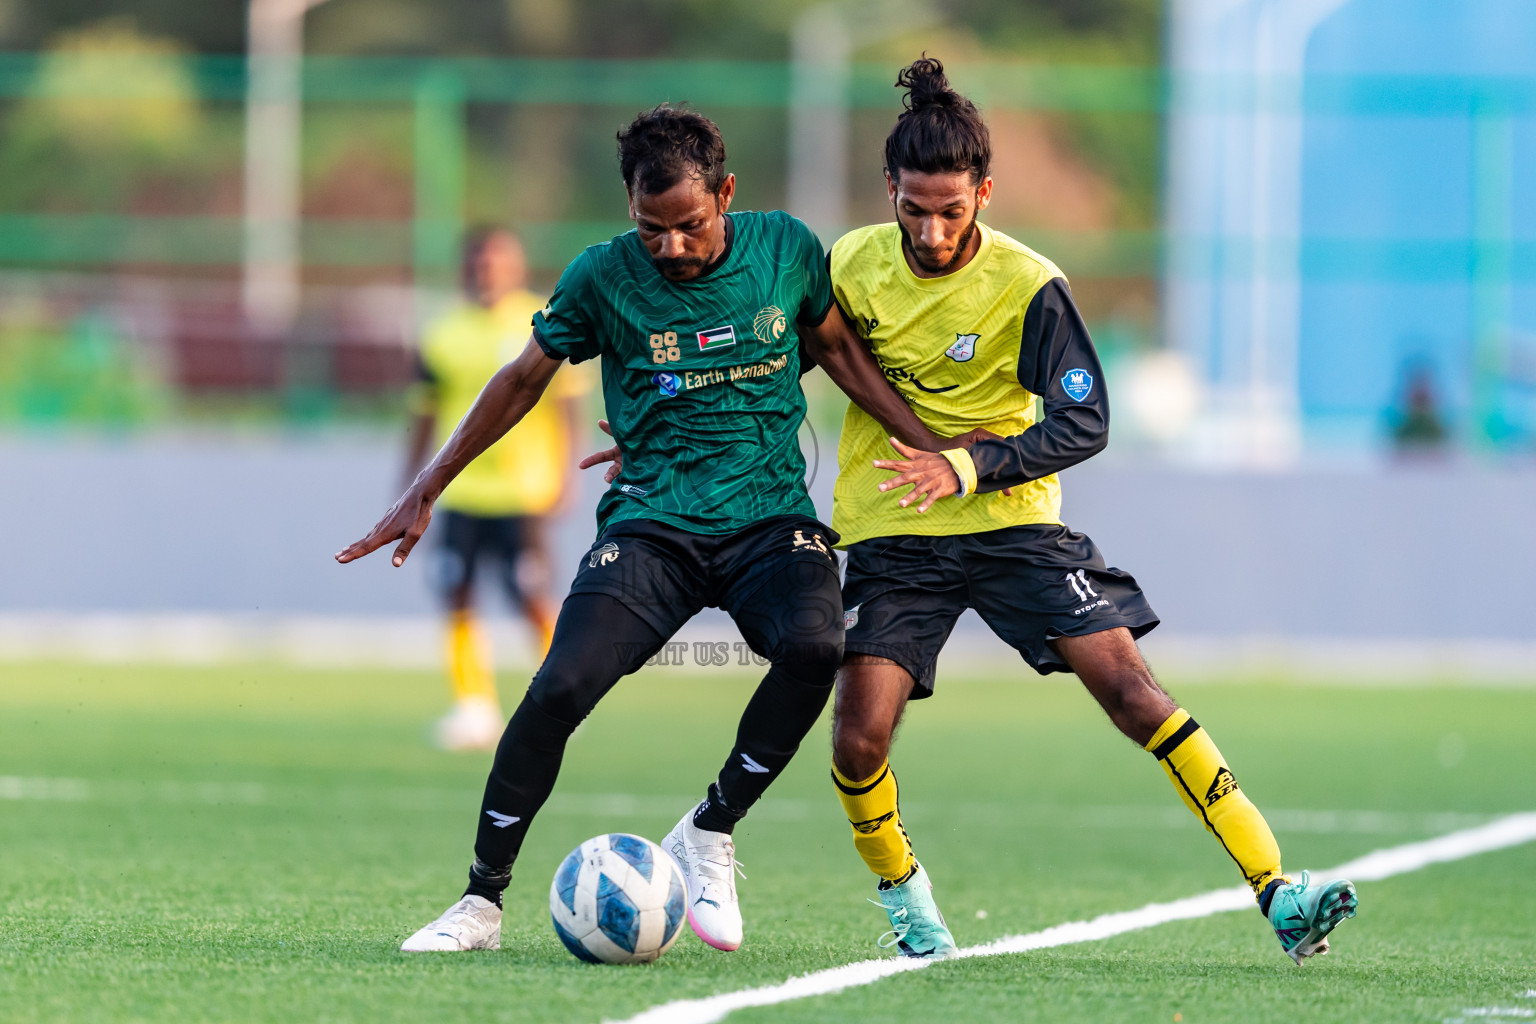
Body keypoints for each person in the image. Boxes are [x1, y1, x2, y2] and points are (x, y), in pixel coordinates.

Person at [336, 104, 968, 955]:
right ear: (627, 208)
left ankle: (711, 828)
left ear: (727, 195)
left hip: (768, 522)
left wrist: (940, 451)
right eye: (650, 228)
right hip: (652, 528)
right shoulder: (601, 277)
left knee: (818, 648)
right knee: (558, 689)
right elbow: (523, 379)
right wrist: (428, 484)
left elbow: (841, 354)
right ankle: (480, 904)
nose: (671, 247)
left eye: (690, 226)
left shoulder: (785, 249)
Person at [823, 57, 1359, 964]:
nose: (932, 228)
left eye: (953, 209)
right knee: (857, 736)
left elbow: (1087, 421)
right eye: (914, 206)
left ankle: (1280, 890)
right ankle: (909, 906)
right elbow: (783, 356)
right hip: (893, 528)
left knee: (1132, 692)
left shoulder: (1030, 287)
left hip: (1014, 524)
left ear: (985, 193)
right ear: (890, 189)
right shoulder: (850, 264)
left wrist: (971, 466)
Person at [404, 227, 589, 751]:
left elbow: (567, 402)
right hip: (461, 493)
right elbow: (423, 413)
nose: (488, 271)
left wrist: (564, 474)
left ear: (515, 266)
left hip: (522, 490)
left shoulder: (542, 320)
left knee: (530, 595)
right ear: (467, 267)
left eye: (498, 262)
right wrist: (412, 484)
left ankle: (569, 695)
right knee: (456, 592)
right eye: (480, 262)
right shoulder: (442, 332)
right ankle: (473, 707)